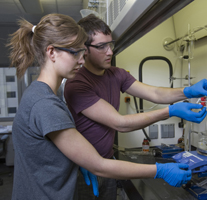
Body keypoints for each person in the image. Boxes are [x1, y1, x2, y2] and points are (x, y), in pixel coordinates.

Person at [8, 13, 193, 200]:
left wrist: (76, 161)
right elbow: (99, 165)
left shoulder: (40, 95)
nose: (81, 59)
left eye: (82, 52)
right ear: (51, 52)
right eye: (75, 52)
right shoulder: (45, 104)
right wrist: (159, 170)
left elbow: (48, 154)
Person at [64, 14, 207, 199]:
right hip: (84, 170)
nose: (110, 52)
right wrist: (171, 111)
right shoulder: (77, 85)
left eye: (110, 44)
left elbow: (155, 94)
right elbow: (119, 123)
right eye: (101, 46)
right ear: (84, 50)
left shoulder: (116, 74)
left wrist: (188, 91)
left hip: (108, 162)